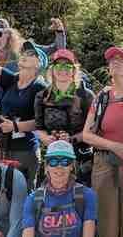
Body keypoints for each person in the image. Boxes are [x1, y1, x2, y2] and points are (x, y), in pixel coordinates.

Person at [81, 46, 123, 237]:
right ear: (109, 69)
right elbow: (86, 135)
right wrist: (114, 146)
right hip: (104, 163)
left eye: (122, 59)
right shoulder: (101, 98)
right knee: (106, 225)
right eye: (112, 61)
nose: (116, 62)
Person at [0, 26, 49, 191]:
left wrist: (15, 126)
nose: (25, 56)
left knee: (22, 193)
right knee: (2, 191)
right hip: (3, 146)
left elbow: (42, 121)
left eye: (31, 55)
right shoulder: (11, 79)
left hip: (25, 150)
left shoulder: (40, 87)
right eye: (25, 53)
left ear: (38, 65)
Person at [34, 49, 95, 186]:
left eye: (67, 66)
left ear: (74, 71)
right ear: (52, 70)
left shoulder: (86, 96)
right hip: (53, 157)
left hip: (81, 158)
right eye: (58, 66)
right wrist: (47, 139)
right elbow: (38, 128)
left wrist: (72, 139)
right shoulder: (42, 96)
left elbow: (93, 129)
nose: (63, 70)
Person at [22, 141, 97, 237]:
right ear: (47, 166)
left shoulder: (87, 195)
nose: (59, 167)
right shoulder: (33, 199)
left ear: (71, 166)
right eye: (53, 161)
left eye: (65, 162)